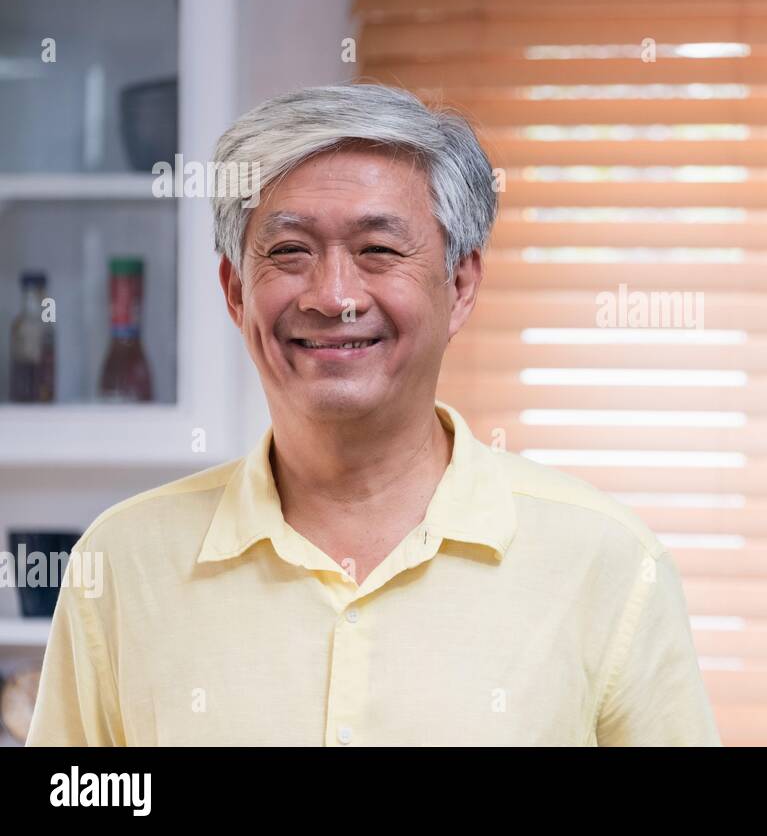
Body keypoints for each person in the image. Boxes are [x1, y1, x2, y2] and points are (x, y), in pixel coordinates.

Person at [27, 83, 721, 746]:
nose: (334, 297)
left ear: (460, 283)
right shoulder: (121, 562)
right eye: (289, 251)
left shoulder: (609, 564)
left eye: (378, 251)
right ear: (236, 292)